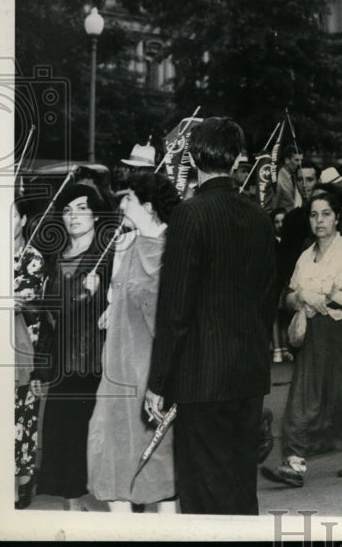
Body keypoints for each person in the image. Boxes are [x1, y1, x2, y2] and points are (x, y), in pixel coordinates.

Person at [145, 117, 277, 515]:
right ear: (238, 158)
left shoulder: (190, 214)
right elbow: (269, 296)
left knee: (204, 490)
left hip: (202, 377)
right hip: (248, 371)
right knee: (240, 482)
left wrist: (159, 381)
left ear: (192, 156)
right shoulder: (259, 216)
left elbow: (175, 307)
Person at [261, 190, 342, 486]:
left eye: (326, 214)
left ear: (337, 217)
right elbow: (287, 299)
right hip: (313, 338)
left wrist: (335, 295)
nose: (320, 220)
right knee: (303, 398)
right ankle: (295, 463)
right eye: (314, 215)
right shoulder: (304, 256)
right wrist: (299, 296)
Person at [87, 172, 180, 512]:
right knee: (111, 463)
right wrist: (114, 308)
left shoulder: (172, 250)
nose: (121, 205)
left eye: (128, 199)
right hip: (116, 373)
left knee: (157, 468)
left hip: (148, 377)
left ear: (149, 206)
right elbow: (127, 295)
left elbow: (168, 319)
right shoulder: (129, 244)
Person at [35, 182, 114, 511]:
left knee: (98, 439)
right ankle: (72, 504)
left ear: (96, 215)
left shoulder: (107, 258)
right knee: (64, 438)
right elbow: (47, 315)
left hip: (95, 362)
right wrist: (42, 366)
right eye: (68, 210)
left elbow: (121, 307)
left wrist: (103, 299)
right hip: (62, 362)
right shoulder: (54, 258)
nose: (74, 216)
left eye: (82, 208)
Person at [13, 197, 45, 509]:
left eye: (12, 216)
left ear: (23, 221)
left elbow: (22, 301)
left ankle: (23, 480)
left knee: (23, 414)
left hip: (24, 347)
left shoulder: (32, 258)